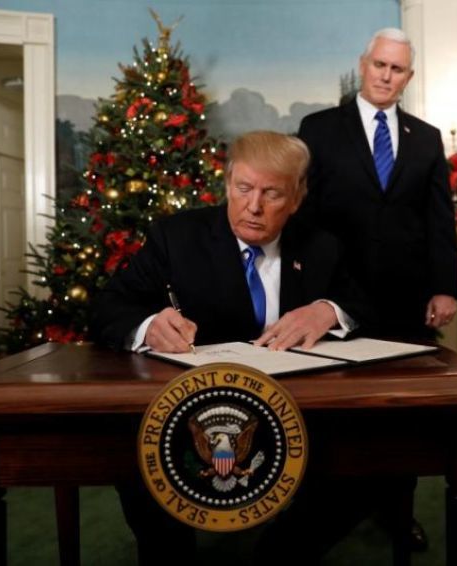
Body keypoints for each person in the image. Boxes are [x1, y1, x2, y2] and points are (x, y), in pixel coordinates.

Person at [90, 130, 368, 563]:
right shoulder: (176, 237)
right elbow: (107, 305)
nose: (253, 206)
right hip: (188, 412)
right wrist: (148, 327)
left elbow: (364, 303)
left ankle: (278, 556)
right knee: (137, 462)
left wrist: (327, 311)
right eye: (243, 189)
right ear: (228, 185)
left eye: (272, 193)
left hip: (298, 413)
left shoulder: (322, 245)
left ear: (296, 198)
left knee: (364, 470)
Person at [297, 27, 457, 551]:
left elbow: (440, 220)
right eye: (380, 65)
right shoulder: (318, 129)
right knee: (333, 410)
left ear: (408, 77)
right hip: (334, 300)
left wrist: (445, 289)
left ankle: (398, 510)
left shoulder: (427, 137)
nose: (387, 76)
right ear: (364, 64)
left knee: (402, 415)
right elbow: (305, 216)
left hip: (406, 303)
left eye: (398, 70)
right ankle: (323, 513)